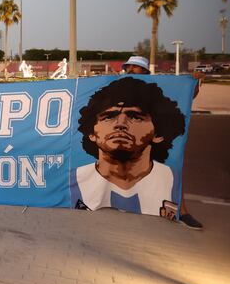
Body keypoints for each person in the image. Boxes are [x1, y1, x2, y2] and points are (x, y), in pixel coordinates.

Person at [71, 77, 184, 217]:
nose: (120, 124)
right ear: (91, 132)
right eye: (108, 117)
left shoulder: (171, 179)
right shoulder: (72, 180)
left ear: (158, 133)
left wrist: (195, 83)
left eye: (135, 117)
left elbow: (187, 91)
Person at [120, 55, 203, 229]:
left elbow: (185, 97)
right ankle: (128, 204)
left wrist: (195, 82)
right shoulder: (122, 86)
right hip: (131, 139)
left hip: (156, 137)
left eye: (134, 67)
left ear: (144, 70)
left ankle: (183, 212)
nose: (130, 70)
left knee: (173, 171)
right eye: (128, 67)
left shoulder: (158, 85)